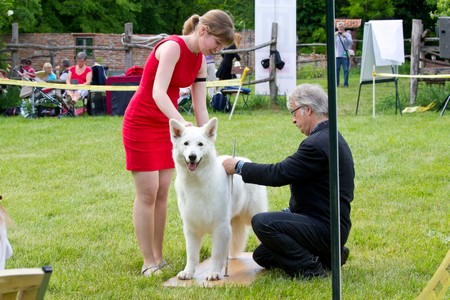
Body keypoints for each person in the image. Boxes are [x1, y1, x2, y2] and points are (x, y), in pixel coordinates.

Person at [122, 9, 235, 277]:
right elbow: (157, 92)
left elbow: (201, 108)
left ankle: (159, 258)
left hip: (171, 127)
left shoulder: (200, 61)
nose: (217, 51)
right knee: (148, 192)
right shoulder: (173, 47)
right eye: (216, 44)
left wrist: (208, 137)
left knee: (163, 192)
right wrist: (181, 125)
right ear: (204, 31)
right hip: (143, 122)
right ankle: (148, 260)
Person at [222, 83, 355, 279]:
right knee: (262, 255)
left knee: (262, 222)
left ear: (307, 110)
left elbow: (279, 173)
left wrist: (239, 166)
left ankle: (311, 269)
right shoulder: (329, 136)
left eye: (294, 113)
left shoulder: (316, 144)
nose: (293, 120)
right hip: (330, 225)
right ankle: (328, 256)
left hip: (325, 229)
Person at [335, 22, 353, 87]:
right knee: (336, 70)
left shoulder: (347, 35)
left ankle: (346, 83)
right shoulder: (335, 35)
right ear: (337, 28)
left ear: (343, 28)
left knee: (346, 70)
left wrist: (344, 36)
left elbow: (350, 42)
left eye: (341, 27)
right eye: (339, 27)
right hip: (337, 55)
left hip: (344, 55)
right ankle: (336, 83)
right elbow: (331, 42)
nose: (340, 29)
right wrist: (335, 35)